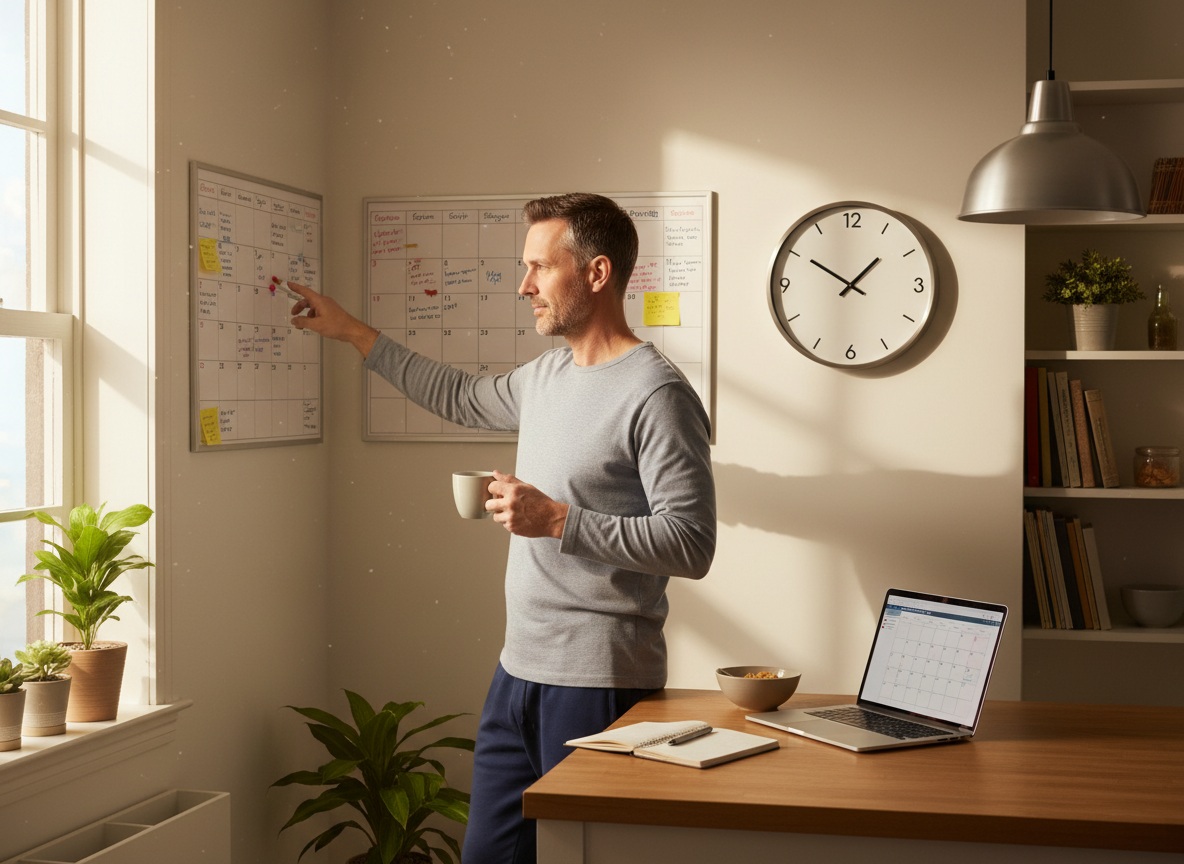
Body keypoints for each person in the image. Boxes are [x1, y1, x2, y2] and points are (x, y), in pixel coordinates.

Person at [281, 192, 716, 864]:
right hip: (518, 670)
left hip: (601, 683)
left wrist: (557, 520)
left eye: (540, 268)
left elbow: (691, 542)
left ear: (596, 275)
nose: (524, 286)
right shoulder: (546, 376)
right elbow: (457, 395)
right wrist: (351, 332)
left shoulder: (656, 394)